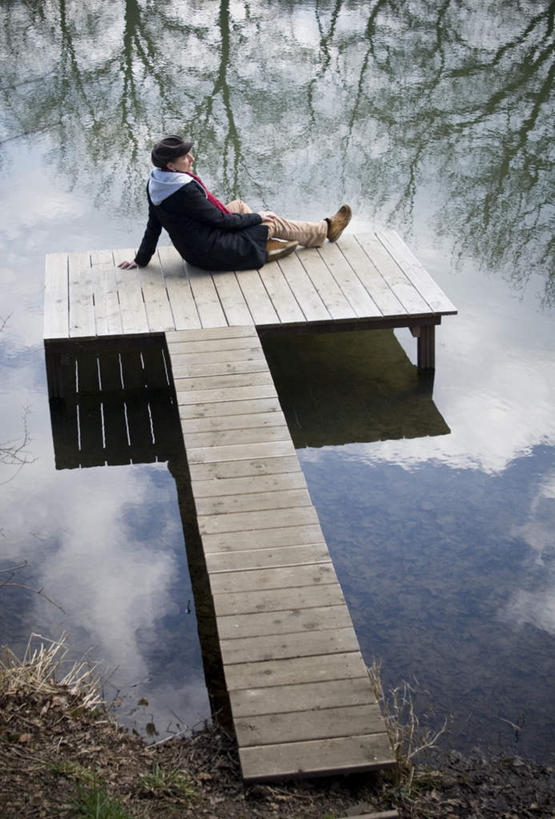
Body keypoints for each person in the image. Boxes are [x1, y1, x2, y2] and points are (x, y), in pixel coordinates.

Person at [118, 135, 352, 272]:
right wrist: (258, 218)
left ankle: (264, 244)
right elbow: (220, 220)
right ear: (170, 165)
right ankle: (324, 230)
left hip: (195, 245)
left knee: (239, 205)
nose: (191, 159)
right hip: (210, 252)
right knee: (269, 221)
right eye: (185, 157)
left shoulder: (157, 183)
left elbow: (153, 224)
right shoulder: (183, 190)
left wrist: (140, 259)